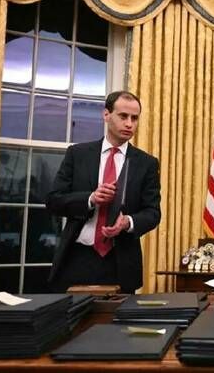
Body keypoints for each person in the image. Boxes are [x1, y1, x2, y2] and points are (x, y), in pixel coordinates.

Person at [46, 91, 160, 294]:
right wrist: (90, 199)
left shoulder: (147, 164)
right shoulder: (78, 154)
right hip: (77, 258)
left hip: (121, 262)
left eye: (134, 118)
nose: (129, 124)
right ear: (106, 115)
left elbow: (153, 213)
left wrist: (128, 222)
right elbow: (53, 201)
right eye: (123, 116)